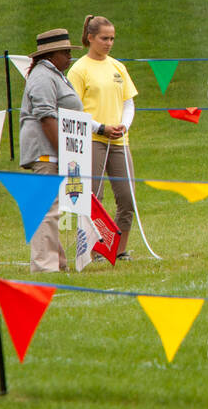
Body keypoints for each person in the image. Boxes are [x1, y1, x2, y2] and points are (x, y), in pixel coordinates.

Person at [18, 29, 122, 272]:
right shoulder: (43, 77)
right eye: (65, 53)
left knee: (52, 209)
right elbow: (45, 117)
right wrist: (65, 153)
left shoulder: (54, 75)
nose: (69, 57)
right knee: (47, 209)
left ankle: (57, 262)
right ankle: (44, 266)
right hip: (47, 152)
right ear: (51, 55)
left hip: (55, 151)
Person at [68, 15, 138, 260]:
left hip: (119, 140)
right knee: (93, 197)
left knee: (127, 198)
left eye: (112, 39)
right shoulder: (79, 70)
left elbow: (128, 102)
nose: (109, 43)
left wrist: (123, 126)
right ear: (90, 38)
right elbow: (73, 109)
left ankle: (119, 250)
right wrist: (100, 128)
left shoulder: (118, 67)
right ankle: (93, 247)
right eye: (104, 38)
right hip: (92, 140)